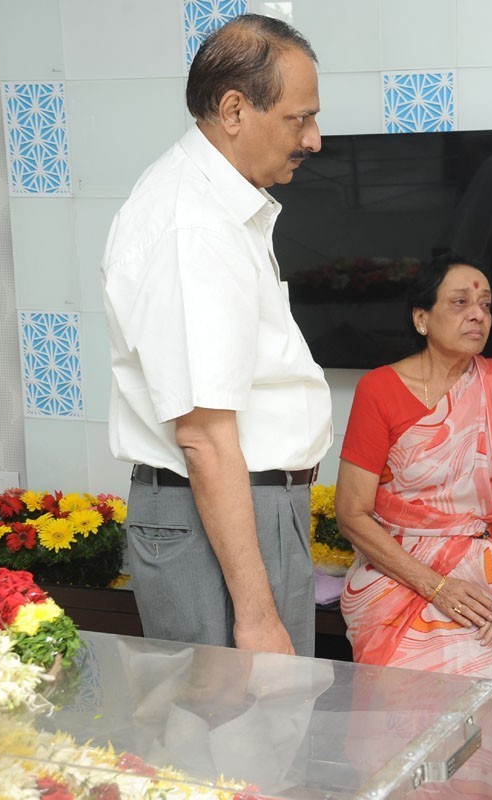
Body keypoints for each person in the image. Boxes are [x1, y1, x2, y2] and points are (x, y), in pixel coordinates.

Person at [101, 14, 332, 656]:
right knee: (233, 740)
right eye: (299, 118)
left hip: (247, 512)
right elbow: (203, 435)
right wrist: (255, 614)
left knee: (266, 737)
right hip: (220, 520)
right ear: (234, 110)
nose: (314, 139)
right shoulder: (191, 225)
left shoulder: (220, 209)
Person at [336, 254, 492, 799]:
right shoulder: (379, 389)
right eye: (461, 302)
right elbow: (351, 512)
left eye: (486, 305)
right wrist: (436, 586)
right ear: (422, 318)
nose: (478, 315)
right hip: (400, 574)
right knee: (426, 685)